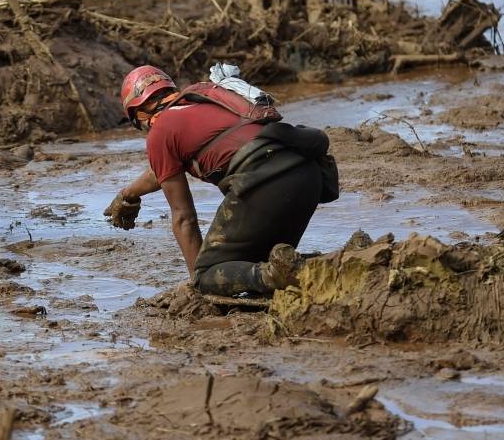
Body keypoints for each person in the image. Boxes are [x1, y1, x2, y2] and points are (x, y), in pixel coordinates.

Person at [105, 65, 335, 296]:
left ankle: (276, 275)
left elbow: (184, 218)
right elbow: (161, 172)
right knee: (253, 262)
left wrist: (198, 284)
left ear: (139, 115)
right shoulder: (206, 97)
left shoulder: (159, 132)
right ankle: (329, 265)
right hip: (308, 174)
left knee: (208, 274)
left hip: (265, 182)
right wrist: (128, 194)